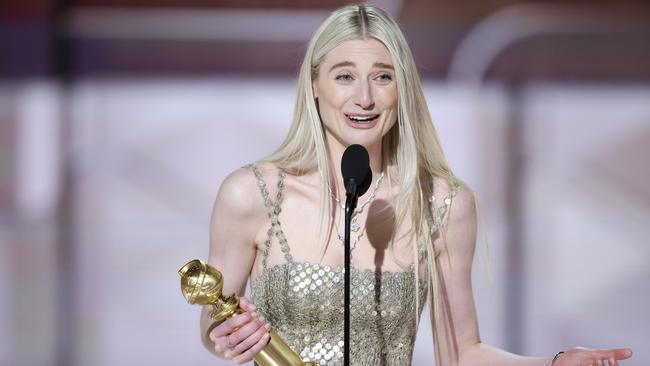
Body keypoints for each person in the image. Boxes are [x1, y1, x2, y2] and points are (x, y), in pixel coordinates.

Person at [198, 4, 633, 366]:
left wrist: (550, 364)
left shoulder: (441, 203)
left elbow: (461, 352)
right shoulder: (251, 194)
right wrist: (226, 337)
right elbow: (214, 321)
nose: (364, 98)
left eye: (383, 76)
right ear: (314, 84)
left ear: (402, 87)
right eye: (345, 76)